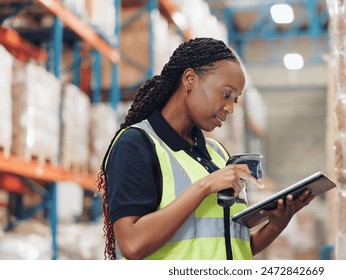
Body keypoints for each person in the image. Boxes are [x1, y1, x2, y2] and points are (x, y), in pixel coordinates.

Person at [96, 37, 315, 260]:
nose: (230, 108)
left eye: (235, 100)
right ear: (189, 79)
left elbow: (229, 247)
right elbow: (132, 243)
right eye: (225, 94)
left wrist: (275, 226)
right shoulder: (137, 144)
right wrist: (205, 186)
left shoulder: (217, 153)